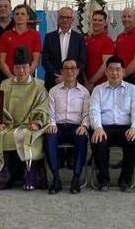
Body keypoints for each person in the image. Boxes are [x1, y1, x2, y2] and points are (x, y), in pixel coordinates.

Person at [0, 46, 50, 191]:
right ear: (13, 68)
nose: (21, 71)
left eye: (24, 67)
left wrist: (37, 123)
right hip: (8, 125)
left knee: (28, 135)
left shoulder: (39, 86)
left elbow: (43, 107)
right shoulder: (5, 84)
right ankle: (2, 176)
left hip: (29, 125)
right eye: (18, 67)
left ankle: (30, 176)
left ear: (30, 67)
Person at [89, 56, 135, 191]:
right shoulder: (98, 90)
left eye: (118, 69)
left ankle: (125, 179)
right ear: (106, 72)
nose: (114, 73)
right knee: (98, 141)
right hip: (104, 128)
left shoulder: (132, 89)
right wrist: (98, 127)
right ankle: (103, 180)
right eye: (111, 69)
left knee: (134, 141)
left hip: (126, 128)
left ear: (123, 71)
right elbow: (94, 111)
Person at [44, 58, 90, 194]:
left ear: (77, 71)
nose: (70, 71)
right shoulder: (53, 91)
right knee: (49, 136)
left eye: (72, 68)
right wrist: (52, 124)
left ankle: (76, 178)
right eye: (66, 68)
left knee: (82, 138)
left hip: (75, 127)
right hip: (58, 126)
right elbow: (50, 112)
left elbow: (87, 114)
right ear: (61, 71)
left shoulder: (84, 92)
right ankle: (56, 177)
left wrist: (84, 126)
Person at [42, 7, 87, 91]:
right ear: (58, 19)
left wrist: (69, 76)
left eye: (68, 17)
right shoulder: (49, 37)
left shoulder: (79, 38)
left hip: (74, 82)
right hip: (53, 81)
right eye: (62, 17)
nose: (65, 20)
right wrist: (57, 76)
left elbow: (82, 61)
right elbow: (45, 60)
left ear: (72, 19)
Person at [0, 4, 41, 80]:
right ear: (13, 17)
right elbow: (2, 61)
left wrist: (25, 76)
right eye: (17, 14)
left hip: (28, 79)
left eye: (23, 14)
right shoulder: (5, 35)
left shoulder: (35, 35)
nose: (19, 16)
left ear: (28, 17)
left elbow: (36, 60)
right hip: (10, 79)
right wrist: (12, 78)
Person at [115, 7, 135, 90]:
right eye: (124, 16)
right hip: (120, 78)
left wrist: (122, 75)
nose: (126, 19)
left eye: (129, 17)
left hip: (133, 79)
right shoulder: (119, 37)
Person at [84, 10, 115, 89]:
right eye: (95, 20)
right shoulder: (87, 40)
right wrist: (85, 82)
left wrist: (91, 82)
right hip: (85, 83)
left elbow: (106, 64)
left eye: (100, 20)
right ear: (91, 21)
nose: (97, 22)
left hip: (101, 85)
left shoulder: (107, 41)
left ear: (105, 23)